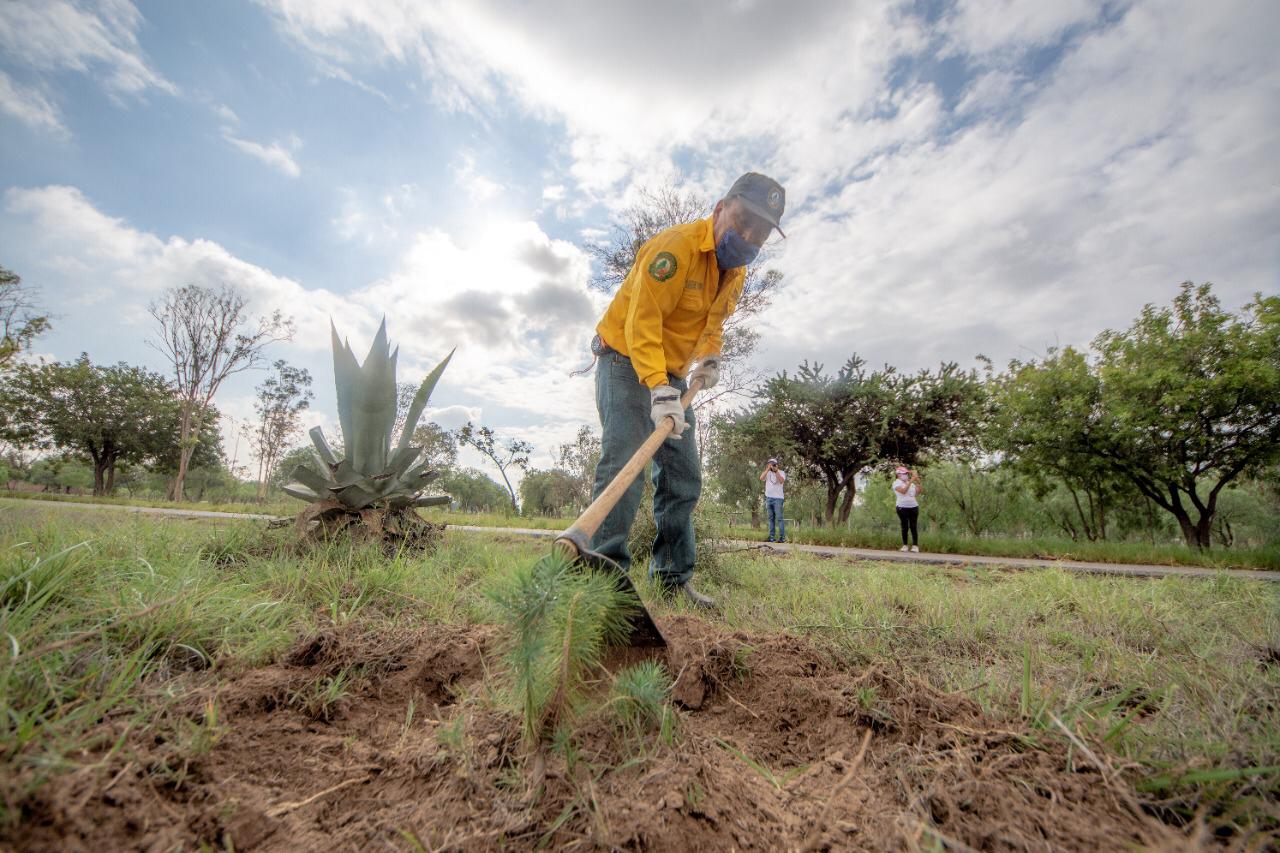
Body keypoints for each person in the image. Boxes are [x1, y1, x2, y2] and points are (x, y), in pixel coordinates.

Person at [587, 172, 787, 608]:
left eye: (762, 231)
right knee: (624, 463)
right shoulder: (673, 250)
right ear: (719, 209)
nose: (750, 235)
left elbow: (713, 323)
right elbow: (643, 322)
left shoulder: (735, 271)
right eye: (744, 220)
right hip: (624, 360)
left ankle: (672, 579)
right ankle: (603, 578)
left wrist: (709, 359)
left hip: (675, 377)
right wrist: (658, 389)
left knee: (683, 476)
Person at [892, 465, 923, 552]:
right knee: (904, 526)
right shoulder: (896, 483)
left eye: (907, 473)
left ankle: (915, 546)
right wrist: (911, 481)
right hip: (902, 508)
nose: (906, 475)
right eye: (904, 473)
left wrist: (917, 480)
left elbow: (919, 491)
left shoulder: (911, 483)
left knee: (913, 526)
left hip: (914, 507)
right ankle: (905, 545)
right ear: (898, 474)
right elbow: (903, 491)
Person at [759, 458, 787, 543]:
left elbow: (781, 481)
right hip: (769, 498)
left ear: (777, 464)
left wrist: (776, 471)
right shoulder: (767, 473)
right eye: (770, 464)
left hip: (778, 498)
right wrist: (767, 469)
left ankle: (782, 538)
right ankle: (771, 537)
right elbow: (761, 478)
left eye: (773, 464)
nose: (772, 466)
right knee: (771, 518)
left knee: (779, 518)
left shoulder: (781, 472)